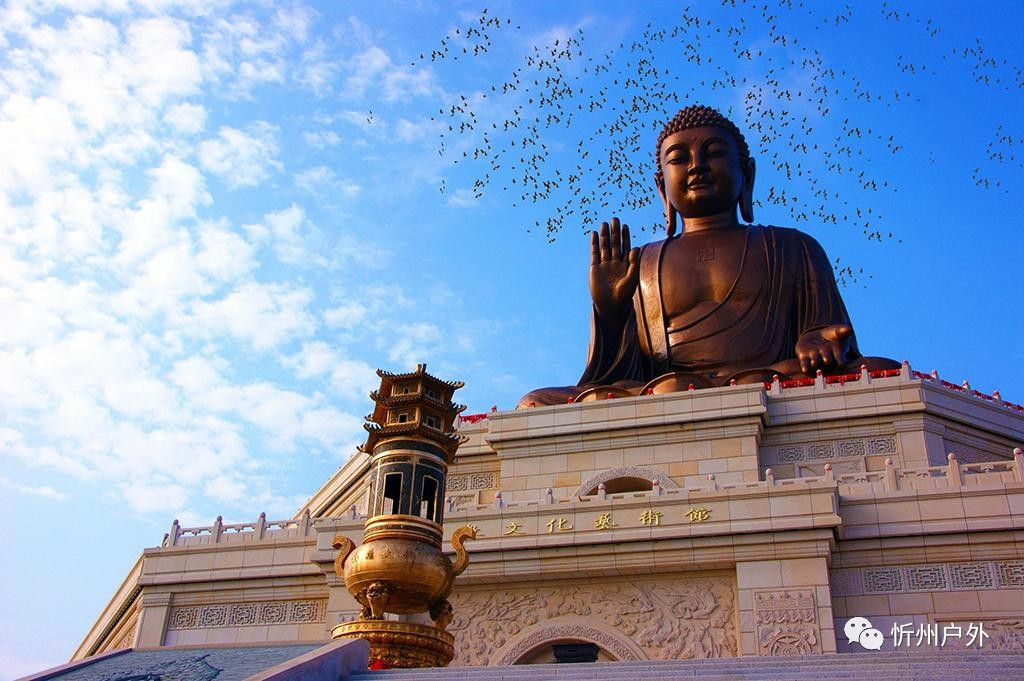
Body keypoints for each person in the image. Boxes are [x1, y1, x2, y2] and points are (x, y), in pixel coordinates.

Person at [518, 105, 897, 408]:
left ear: (746, 175)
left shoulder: (793, 247)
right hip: (666, 388)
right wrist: (610, 312)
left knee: (882, 372)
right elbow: (615, 376)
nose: (697, 165)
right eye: (679, 158)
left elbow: (830, 333)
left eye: (713, 153)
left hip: (770, 377)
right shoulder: (640, 264)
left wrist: (818, 340)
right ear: (661, 186)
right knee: (536, 402)